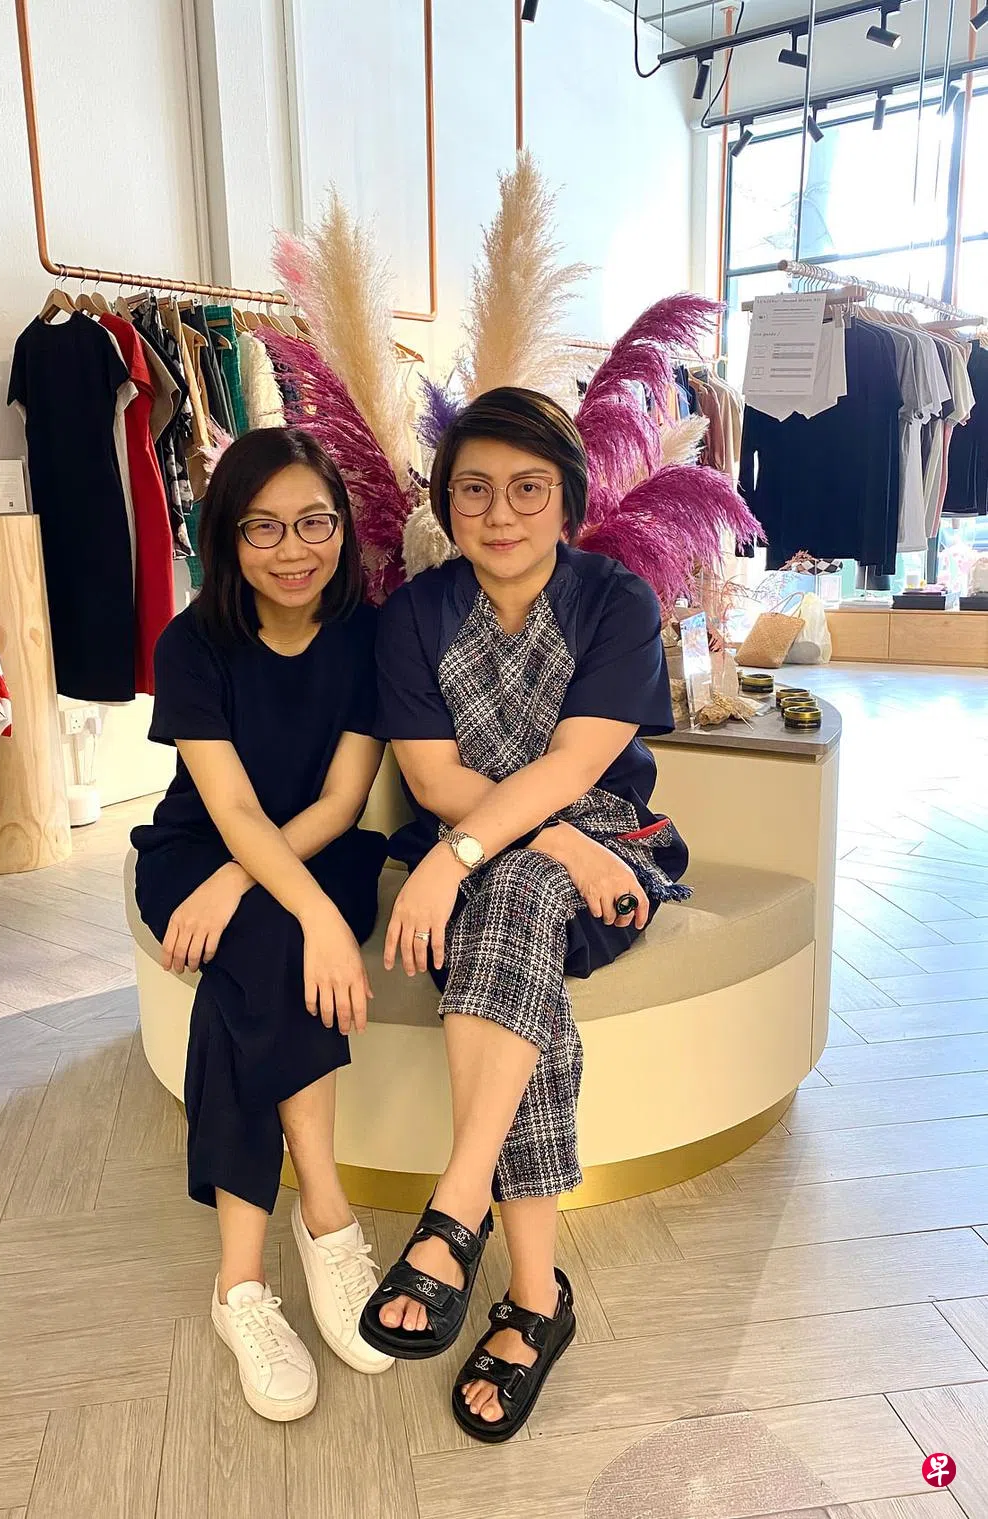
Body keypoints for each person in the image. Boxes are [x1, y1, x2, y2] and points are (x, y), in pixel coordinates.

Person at [362, 387, 689, 1441]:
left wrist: (464, 855)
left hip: (610, 858)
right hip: (526, 857)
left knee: (514, 893)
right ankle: (533, 1297)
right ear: (446, 504)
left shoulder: (615, 601)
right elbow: (432, 777)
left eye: (527, 489)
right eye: (474, 491)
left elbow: (575, 767)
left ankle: (456, 1216)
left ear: (569, 500)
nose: (499, 513)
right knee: (518, 902)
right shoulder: (414, 615)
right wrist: (538, 845)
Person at [131, 427, 393, 1424]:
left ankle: (239, 1282)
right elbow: (233, 809)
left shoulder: (369, 634)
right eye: (264, 527)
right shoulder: (192, 643)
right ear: (229, 538)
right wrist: (270, 895)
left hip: (315, 852)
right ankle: (324, 1220)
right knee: (276, 948)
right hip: (199, 852)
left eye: (315, 522)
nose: (294, 549)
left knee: (253, 974)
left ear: (343, 527)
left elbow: (341, 798)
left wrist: (288, 899)